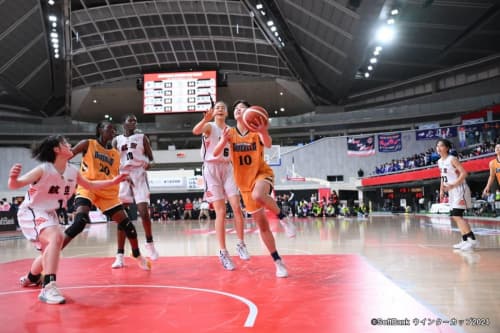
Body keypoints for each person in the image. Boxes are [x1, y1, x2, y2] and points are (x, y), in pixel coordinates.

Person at [8, 135, 128, 304]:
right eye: (65, 143)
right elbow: (15, 185)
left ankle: (32, 277)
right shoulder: (44, 169)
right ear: (57, 150)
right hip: (32, 211)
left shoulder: (72, 171)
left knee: (50, 250)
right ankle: (48, 287)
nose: (69, 145)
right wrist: (13, 178)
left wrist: (113, 181)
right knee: (56, 239)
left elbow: (91, 186)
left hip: (50, 213)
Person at [213, 100, 288, 277]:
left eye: (243, 108)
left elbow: (268, 144)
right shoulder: (229, 132)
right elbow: (215, 153)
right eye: (236, 108)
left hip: (261, 174)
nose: (238, 110)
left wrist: (263, 130)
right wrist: (223, 140)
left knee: (259, 194)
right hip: (243, 184)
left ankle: (283, 218)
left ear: (249, 113)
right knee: (262, 225)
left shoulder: (255, 131)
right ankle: (278, 261)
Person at [192, 100, 250, 270]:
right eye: (217, 107)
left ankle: (241, 244)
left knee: (237, 207)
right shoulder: (209, 126)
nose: (219, 109)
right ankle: (223, 252)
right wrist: (204, 119)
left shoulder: (231, 130)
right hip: (211, 169)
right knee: (221, 211)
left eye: (223, 108)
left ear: (226, 113)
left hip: (228, 168)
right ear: (213, 112)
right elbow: (195, 131)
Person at [111, 114, 159, 268]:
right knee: (122, 218)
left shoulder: (142, 137)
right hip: (124, 176)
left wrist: (148, 164)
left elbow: (152, 159)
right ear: (123, 123)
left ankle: (149, 244)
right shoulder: (116, 140)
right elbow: (112, 161)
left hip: (139, 174)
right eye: (130, 120)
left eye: (135, 120)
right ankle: (119, 255)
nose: (133, 122)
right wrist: (118, 177)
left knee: (144, 213)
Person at [436, 139, 478, 251]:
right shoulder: (439, 161)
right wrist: (441, 190)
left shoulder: (452, 159)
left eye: (441, 146)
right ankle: (465, 240)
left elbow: (464, 173)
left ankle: (472, 240)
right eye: (437, 146)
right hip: (451, 191)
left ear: (447, 148)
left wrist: (453, 185)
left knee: (457, 215)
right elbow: (442, 176)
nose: (438, 148)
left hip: (460, 189)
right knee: (455, 216)